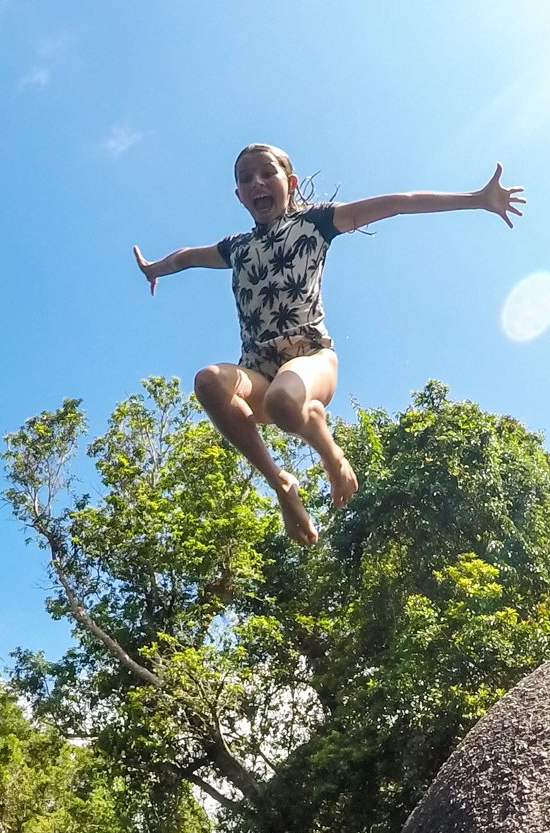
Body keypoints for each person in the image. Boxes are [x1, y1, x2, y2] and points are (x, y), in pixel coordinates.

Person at [133, 144, 524, 546]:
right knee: (209, 381)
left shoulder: (316, 223)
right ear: (238, 196)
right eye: (246, 179)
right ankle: (283, 485)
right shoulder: (237, 248)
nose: (257, 184)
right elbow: (186, 258)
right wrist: (153, 268)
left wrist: (477, 199)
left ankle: (332, 456)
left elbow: (399, 204)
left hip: (311, 358)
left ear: (291, 182)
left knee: (285, 402)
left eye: (267, 173)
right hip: (258, 370)